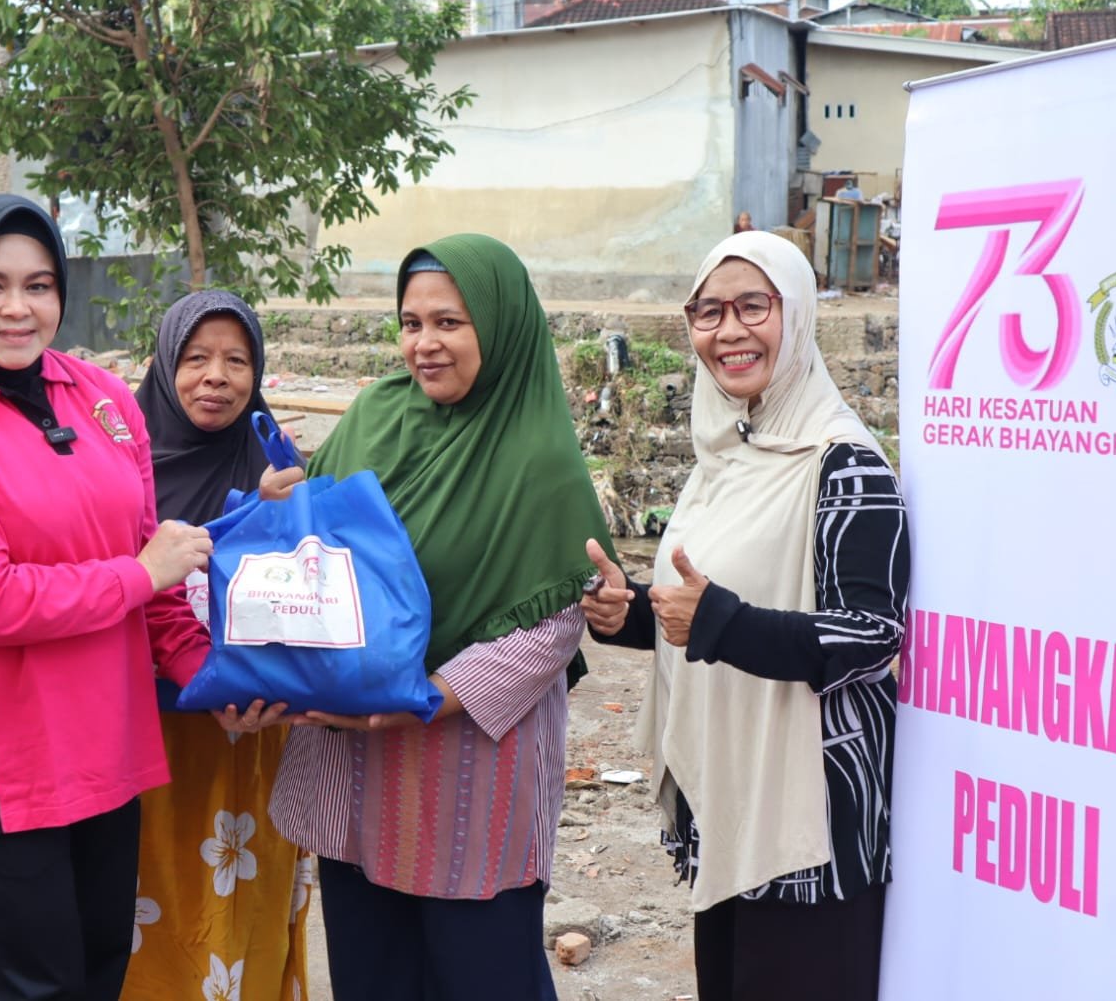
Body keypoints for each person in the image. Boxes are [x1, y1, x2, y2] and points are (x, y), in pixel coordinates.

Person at [0, 195, 279, 1001]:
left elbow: (149, 569)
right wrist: (140, 574)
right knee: (29, 988)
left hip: (105, 748)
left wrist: (210, 677)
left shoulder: (100, 397)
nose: (17, 308)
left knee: (98, 975)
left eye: (39, 285)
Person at [264, 234, 614, 1000]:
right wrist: (283, 511)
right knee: (372, 974)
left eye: (450, 323)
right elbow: (320, 557)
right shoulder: (373, 416)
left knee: (482, 974)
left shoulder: (537, 458)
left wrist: (422, 698)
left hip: (465, 771)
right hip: (355, 763)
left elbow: (551, 626)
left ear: (499, 326)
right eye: (411, 322)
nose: (424, 343)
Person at [581, 230, 910, 1001]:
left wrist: (720, 622)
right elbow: (706, 606)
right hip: (727, 801)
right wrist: (628, 611)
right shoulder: (726, 455)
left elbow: (871, 636)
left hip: (810, 821)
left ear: (794, 314)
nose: (727, 331)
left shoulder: (843, 464)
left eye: (752, 307)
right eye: (708, 312)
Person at [120, 290, 310, 1000]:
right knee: (149, 901)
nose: (216, 377)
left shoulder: (274, 465)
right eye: (196, 358)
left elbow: (310, 596)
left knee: (241, 910)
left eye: (237, 361)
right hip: (146, 736)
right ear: (165, 364)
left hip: (251, 735)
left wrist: (278, 514)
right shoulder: (122, 468)